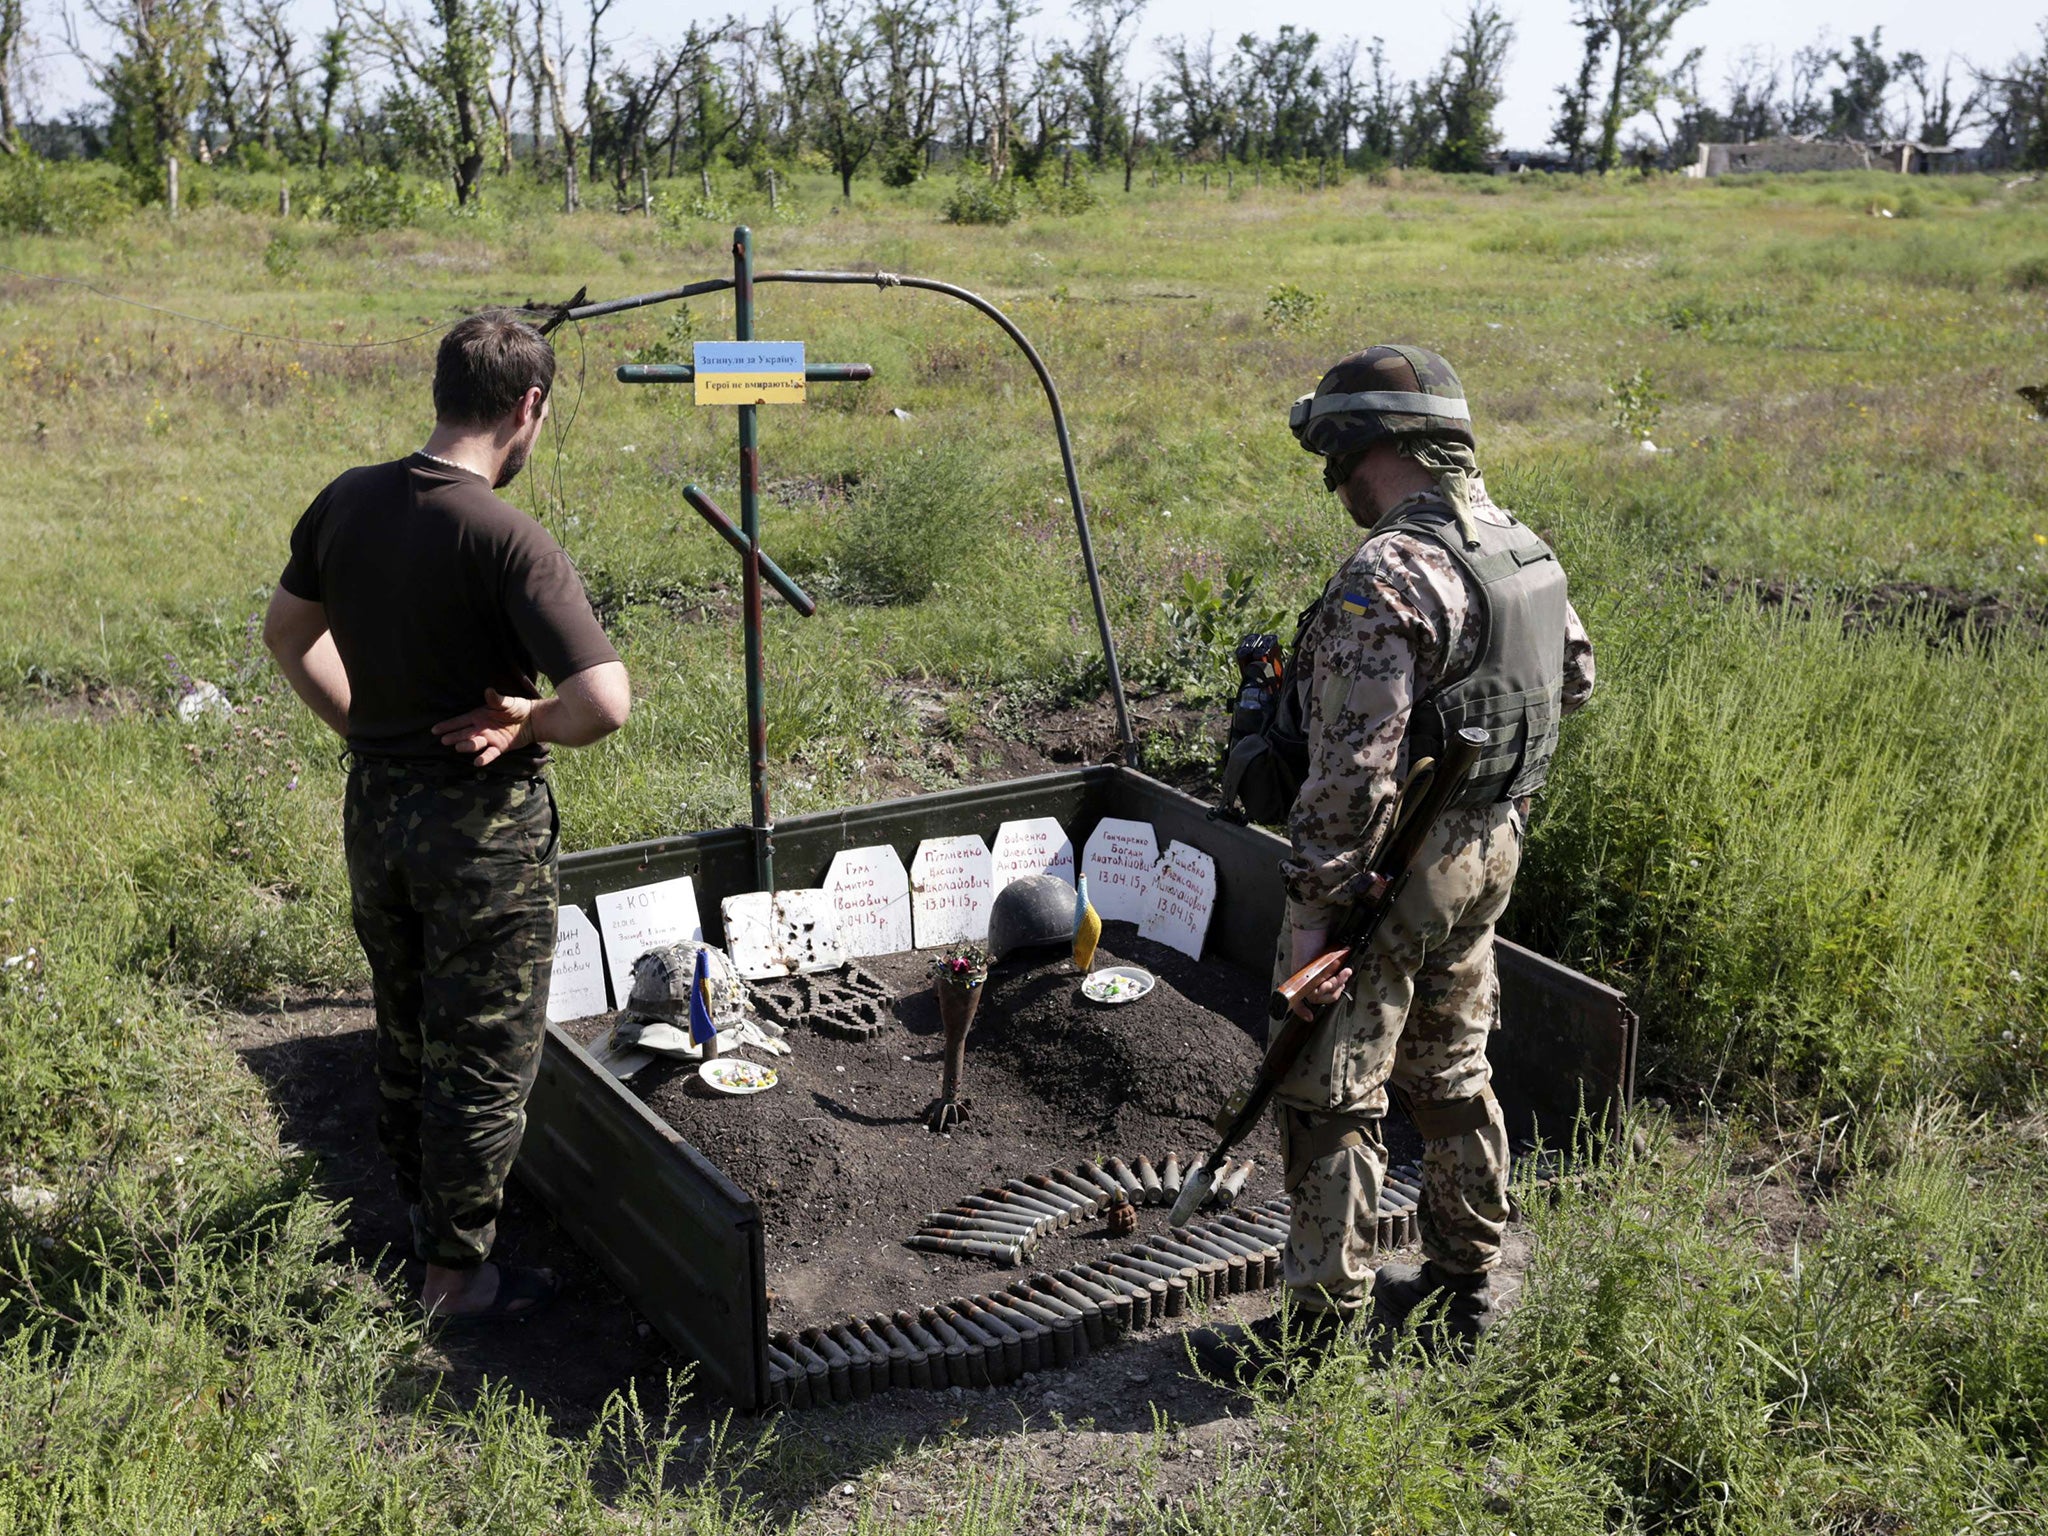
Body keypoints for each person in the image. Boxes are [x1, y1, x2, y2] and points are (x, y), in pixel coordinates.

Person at [1210, 344, 1595, 1373]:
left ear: (1357, 445)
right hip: (1491, 843)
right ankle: (1465, 1286)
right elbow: (1574, 681)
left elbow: (1347, 781)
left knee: (1329, 1086)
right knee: (1452, 1062)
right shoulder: (1519, 549)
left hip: (1392, 865)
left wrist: (1307, 917)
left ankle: (1317, 1332)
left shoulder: (1386, 575)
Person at [263, 310, 631, 1323]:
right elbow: (603, 702)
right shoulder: (505, 535)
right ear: (528, 407)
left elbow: (288, 632)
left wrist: (363, 725)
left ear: (439, 392)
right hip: (479, 837)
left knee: (406, 1016)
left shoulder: (346, 501)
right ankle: (455, 1278)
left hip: (375, 816)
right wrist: (527, 725)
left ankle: (412, 1211)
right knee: (483, 1050)